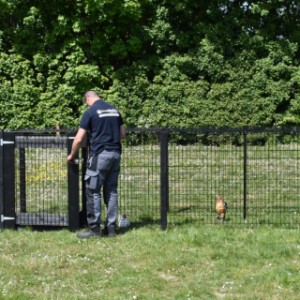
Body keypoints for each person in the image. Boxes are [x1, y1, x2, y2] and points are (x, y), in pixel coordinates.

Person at [67, 90, 126, 239]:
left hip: (100, 155)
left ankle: (94, 229)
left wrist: (72, 155)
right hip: (116, 154)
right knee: (111, 191)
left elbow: (79, 139)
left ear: (88, 99)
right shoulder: (114, 110)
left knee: (93, 190)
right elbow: (123, 134)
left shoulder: (90, 111)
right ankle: (111, 228)